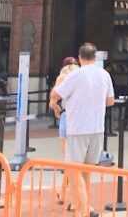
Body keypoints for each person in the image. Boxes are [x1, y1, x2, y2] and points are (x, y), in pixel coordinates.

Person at [51, 43, 115, 217]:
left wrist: (55, 104)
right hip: (97, 128)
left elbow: (56, 94)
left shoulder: (75, 75)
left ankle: (86, 207)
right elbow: (110, 101)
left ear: (80, 58)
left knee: (73, 169)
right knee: (86, 170)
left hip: (78, 127)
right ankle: (82, 210)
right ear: (95, 58)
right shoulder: (104, 75)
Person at [49, 57, 79, 208]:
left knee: (69, 160)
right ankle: (64, 193)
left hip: (67, 117)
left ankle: (73, 198)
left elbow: (53, 99)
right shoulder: (81, 75)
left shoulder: (62, 77)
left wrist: (56, 108)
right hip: (81, 118)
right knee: (75, 161)